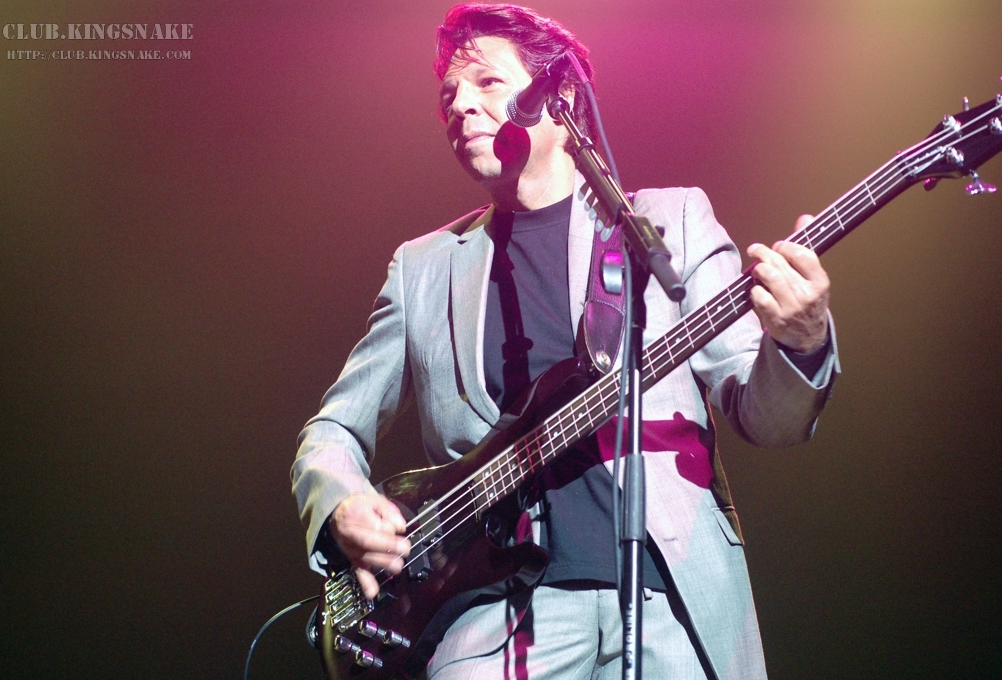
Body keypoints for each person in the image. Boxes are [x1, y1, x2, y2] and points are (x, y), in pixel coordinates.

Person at [291, 4, 838, 679]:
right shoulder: (423, 269)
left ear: (563, 99)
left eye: (487, 82)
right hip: (491, 623)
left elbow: (770, 418)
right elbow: (330, 430)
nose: (460, 105)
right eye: (448, 95)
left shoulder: (670, 223)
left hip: (668, 596)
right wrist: (340, 501)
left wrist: (802, 340)